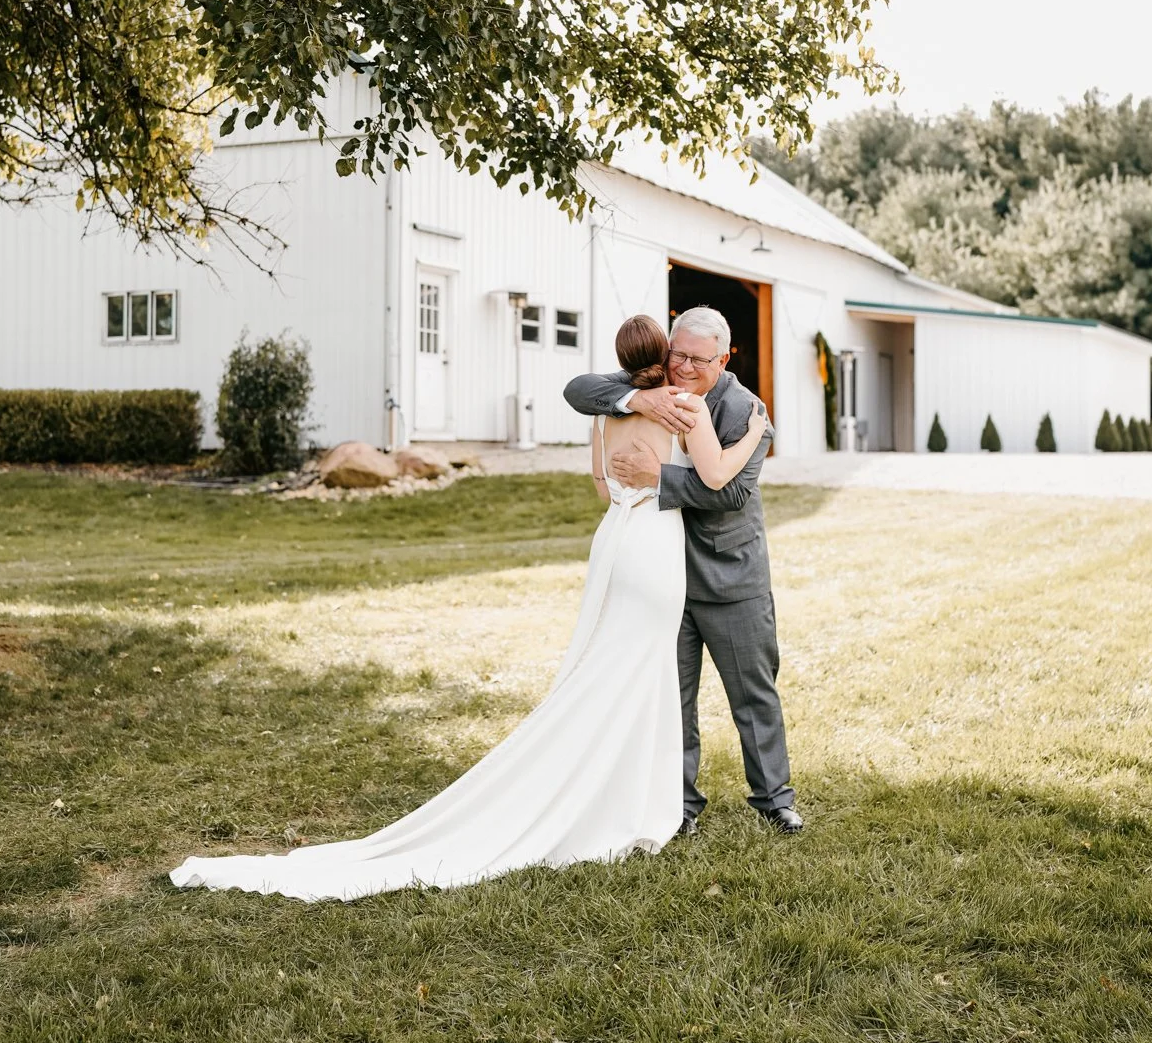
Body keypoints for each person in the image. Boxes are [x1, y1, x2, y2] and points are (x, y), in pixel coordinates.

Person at [170, 315, 768, 903]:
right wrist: (754, 433)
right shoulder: (684, 409)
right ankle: (637, 804)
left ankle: (627, 795)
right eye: (680, 357)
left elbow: (601, 488)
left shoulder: (611, 410)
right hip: (658, 553)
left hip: (617, 541)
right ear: (664, 356)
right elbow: (716, 477)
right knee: (643, 676)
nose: (687, 368)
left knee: (607, 671)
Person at [564, 305, 803, 836]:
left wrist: (658, 476)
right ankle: (678, 805)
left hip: (729, 576)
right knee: (672, 696)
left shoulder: (745, 409)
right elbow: (579, 391)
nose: (686, 367)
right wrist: (635, 397)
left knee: (753, 692)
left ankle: (773, 799)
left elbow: (734, 491)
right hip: (660, 578)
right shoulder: (650, 385)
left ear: (724, 357)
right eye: (679, 354)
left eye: (699, 359)